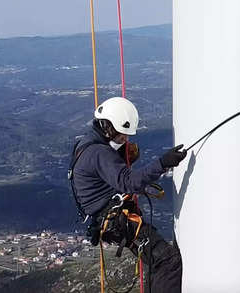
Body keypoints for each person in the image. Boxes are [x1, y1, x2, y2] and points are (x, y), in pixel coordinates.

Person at [69, 96, 188, 292]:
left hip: (108, 219)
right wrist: (164, 162)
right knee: (168, 261)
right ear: (108, 128)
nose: (124, 140)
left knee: (155, 260)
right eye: (121, 135)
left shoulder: (84, 144)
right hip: (118, 220)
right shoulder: (100, 153)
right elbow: (129, 182)